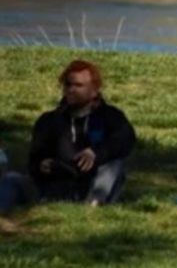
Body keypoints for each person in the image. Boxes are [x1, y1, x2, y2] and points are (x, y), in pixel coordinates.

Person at [25, 60, 135, 207]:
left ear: (95, 90)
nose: (71, 89)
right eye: (68, 85)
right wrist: (42, 164)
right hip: (56, 184)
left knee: (114, 166)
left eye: (78, 85)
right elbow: (35, 157)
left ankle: (92, 208)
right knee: (12, 180)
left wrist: (95, 153)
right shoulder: (49, 120)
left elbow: (125, 140)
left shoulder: (111, 116)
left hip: (92, 183)